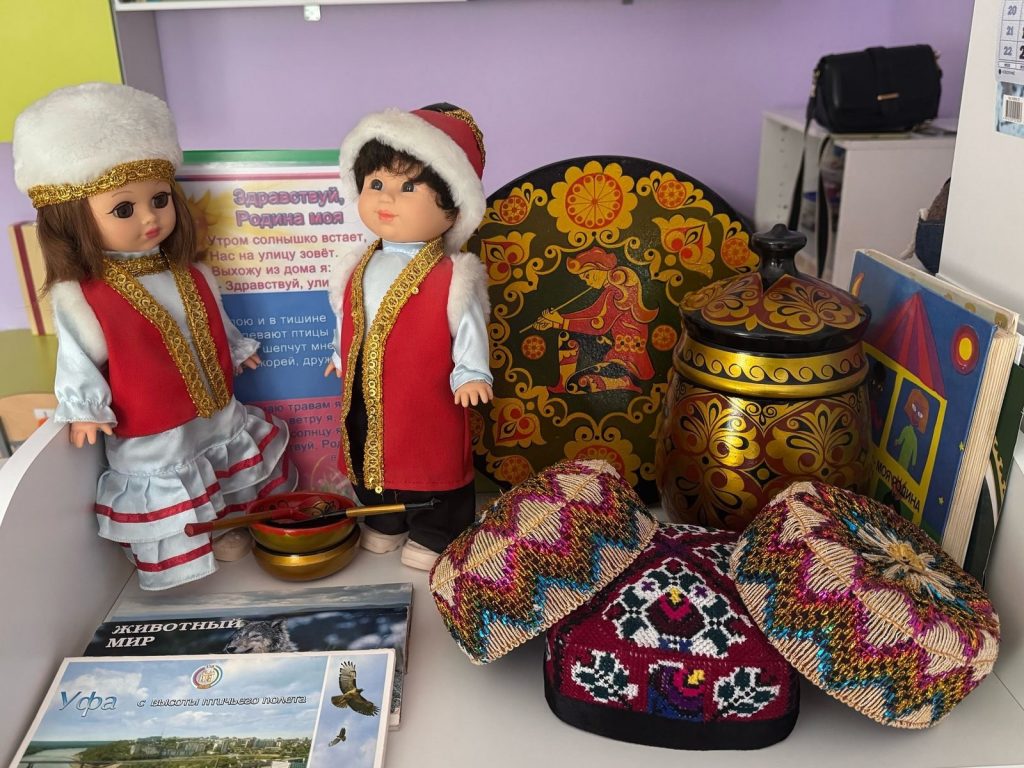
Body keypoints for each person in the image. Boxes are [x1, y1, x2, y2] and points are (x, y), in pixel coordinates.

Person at [11, 83, 296, 590]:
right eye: (124, 209)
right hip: (154, 427)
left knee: (225, 467)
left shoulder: (192, 272)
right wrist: (84, 407)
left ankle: (227, 527)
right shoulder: (84, 296)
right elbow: (77, 357)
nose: (149, 218)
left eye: (160, 200)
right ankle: (193, 547)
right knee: (173, 482)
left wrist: (236, 349)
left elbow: (210, 319)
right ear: (72, 220)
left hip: (216, 406)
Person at [326, 103, 492, 570]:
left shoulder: (452, 275)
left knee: (427, 456)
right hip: (364, 384)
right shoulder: (356, 264)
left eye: (409, 187)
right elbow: (346, 317)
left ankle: (435, 531)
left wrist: (471, 373)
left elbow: (469, 326)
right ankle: (385, 521)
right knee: (368, 449)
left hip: (427, 391)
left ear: (453, 207)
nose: (387, 199)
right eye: (376, 184)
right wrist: (337, 355)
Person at [532, 247, 657, 393]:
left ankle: (627, 382)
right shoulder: (610, 290)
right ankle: (563, 384)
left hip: (629, 363)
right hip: (614, 351)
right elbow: (590, 313)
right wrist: (555, 321)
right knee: (567, 336)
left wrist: (561, 321)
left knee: (576, 383)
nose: (587, 282)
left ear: (600, 268)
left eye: (587, 275)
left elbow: (598, 325)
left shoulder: (619, 292)